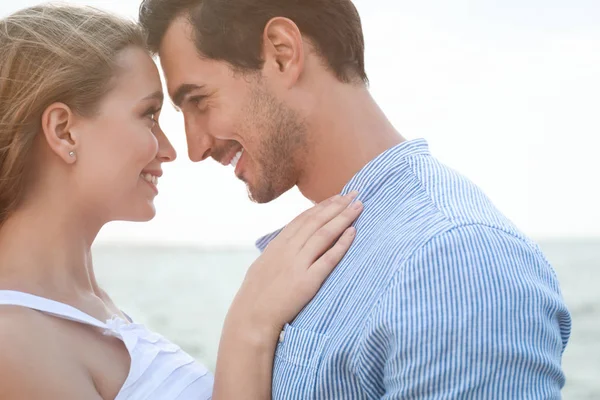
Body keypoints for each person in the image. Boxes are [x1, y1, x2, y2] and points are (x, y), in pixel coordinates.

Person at [139, 0, 573, 397]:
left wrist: (246, 333)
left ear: (281, 52)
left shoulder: (455, 260)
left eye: (198, 101)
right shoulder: (342, 247)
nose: (194, 148)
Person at [0, 4, 364, 399]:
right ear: (64, 132)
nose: (172, 150)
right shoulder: (13, 343)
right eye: (149, 115)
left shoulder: (90, 308)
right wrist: (249, 330)